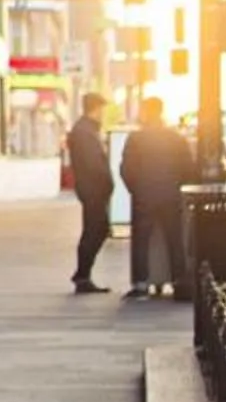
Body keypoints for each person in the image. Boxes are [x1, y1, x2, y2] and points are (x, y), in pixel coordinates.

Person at [119, 96, 193, 299]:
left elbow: (126, 169)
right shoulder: (176, 138)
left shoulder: (136, 138)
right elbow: (188, 168)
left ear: (145, 112)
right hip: (171, 195)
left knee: (141, 240)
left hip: (144, 196)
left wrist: (137, 189)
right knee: (174, 239)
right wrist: (178, 187)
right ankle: (179, 281)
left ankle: (141, 284)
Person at [65, 91, 113, 294]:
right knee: (95, 230)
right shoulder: (85, 132)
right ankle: (82, 276)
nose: (104, 113)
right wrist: (107, 183)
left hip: (92, 188)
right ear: (96, 109)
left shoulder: (86, 130)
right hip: (93, 189)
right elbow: (94, 165)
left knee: (97, 229)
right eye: (102, 109)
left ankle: (83, 275)